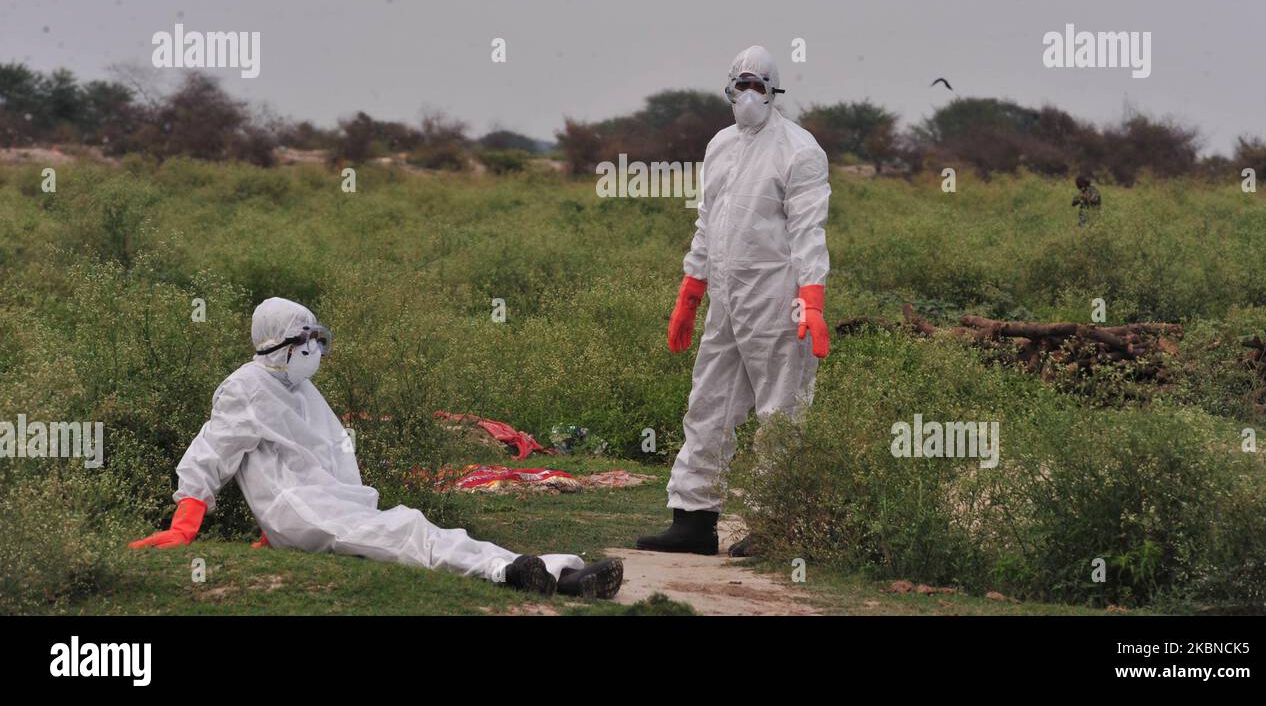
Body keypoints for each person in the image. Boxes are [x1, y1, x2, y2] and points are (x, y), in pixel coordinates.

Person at [130, 297, 622, 599]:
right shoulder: (245, 387)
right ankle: (505, 571)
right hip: (302, 511)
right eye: (308, 339)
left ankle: (562, 574)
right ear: (280, 343)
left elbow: (332, 454)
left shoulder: (302, 391)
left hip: (322, 507)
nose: (315, 350)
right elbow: (212, 452)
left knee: (409, 525)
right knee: (407, 533)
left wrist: (284, 529)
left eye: (319, 340)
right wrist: (185, 524)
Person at [636, 45, 831, 557]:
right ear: (728, 89)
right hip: (725, 296)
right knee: (708, 404)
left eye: (758, 85)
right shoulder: (719, 145)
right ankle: (694, 521)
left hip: (776, 298)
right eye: (740, 85)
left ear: (774, 91)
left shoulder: (800, 150)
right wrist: (691, 290)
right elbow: (708, 221)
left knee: (781, 410)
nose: (748, 94)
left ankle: (776, 526)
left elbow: (809, 231)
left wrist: (811, 299)